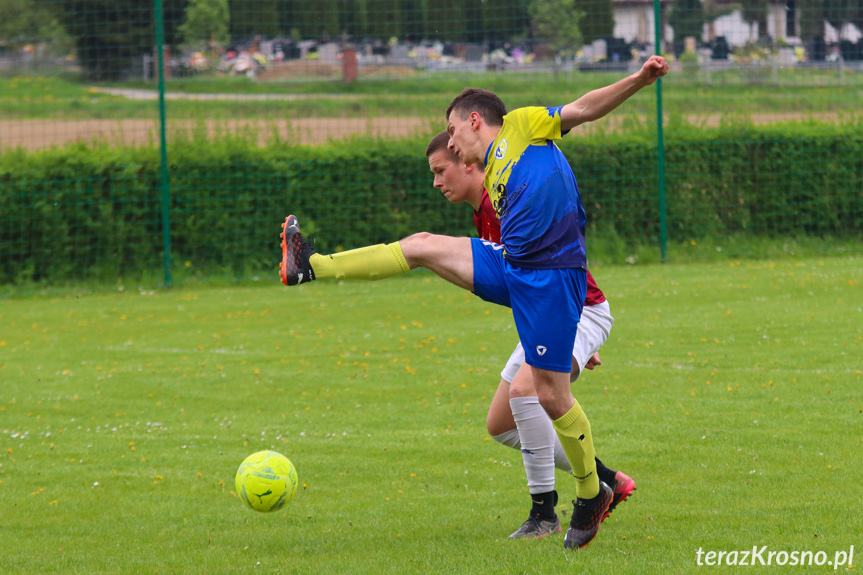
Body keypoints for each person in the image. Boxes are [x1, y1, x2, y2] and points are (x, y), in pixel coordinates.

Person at [279, 55, 668, 550]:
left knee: (545, 396)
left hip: (552, 278)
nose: (451, 145)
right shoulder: (490, 183)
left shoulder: (525, 126)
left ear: (473, 120)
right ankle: (310, 264)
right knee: (420, 244)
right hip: (520, 274)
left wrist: (639, 79)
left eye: (451, 131)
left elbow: (585, 108)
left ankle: (589, 494)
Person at [425, 131, 635, 539]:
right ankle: (607, 480)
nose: (436, 182)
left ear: (468, 163)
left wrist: (573, 329)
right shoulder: (483, 212)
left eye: (440, 171)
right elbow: (523, 284)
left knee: (527, 391)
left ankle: (545, 514)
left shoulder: (503, 200)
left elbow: (558, 262)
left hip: (578, 309)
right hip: (554, 315)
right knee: (501, 424)